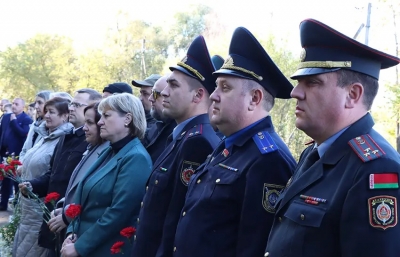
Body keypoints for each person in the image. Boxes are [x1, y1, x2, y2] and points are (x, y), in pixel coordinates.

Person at [265, 19, 400, 257]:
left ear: (352, 95)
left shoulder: (375, 168)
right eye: (299, 83)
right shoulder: (314, 153)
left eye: (313, 82)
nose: (295, 92)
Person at [172, 27, 296, 257]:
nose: (213, 95)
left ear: (254, 99)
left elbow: (255, 246)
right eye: (216, 87)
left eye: (225, 88)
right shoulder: (229, 145)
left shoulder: (268, 159)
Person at [131, 35, 221, 257]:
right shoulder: (181, 135)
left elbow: (178, 218)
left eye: (173, 85)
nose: (164, 92)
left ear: (198, 95)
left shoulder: (197, 142)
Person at [60, 93, 152, 257]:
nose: (100, 121)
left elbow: (119, 212)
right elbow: (82, 197)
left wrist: (80, 246)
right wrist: (72, 232)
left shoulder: (136, 157)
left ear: (127, 119)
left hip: (105, 249)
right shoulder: (110, 151)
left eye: (106, 116)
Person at [21, 88, 102, 256]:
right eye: (72, 103)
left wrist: (67, 216)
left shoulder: (96, 142)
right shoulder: (66, 137)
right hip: (54, 216)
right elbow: (54, 175)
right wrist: (33, 185)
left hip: (72, 223)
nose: (71, 108)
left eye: (78, 105)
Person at [14, 97, 73, 257]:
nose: (46, 115)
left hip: (40, 208)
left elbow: (53, 174)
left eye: (51, 112)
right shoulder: (46, 136)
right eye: (46, 111)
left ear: (64, 116)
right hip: (28, 206)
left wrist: (33, 185)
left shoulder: (63, 139)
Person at [47, 102, 109, 235]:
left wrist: (67, 215)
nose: (84, 128)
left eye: (90, 123)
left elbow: (94, 198)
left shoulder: (105, 154)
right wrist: (63, 208)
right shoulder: (92, 147)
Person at [0, 97, 32, 211]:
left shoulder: (26, 119)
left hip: (17, 155)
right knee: (5, 179)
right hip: (5, 153)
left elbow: (23, 133)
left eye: (16, 104)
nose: (13, 106)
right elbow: (2, 132)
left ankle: (17, 206)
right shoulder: (6, 117)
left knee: (16, 181)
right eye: (13, 103)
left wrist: (14, 121)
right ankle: (3, 204)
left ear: (22, 107)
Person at [144, 74, 177, 163]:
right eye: (151, 93)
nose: (150, 98)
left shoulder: (178, 132)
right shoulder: (159, 125)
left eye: (155, 94)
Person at [19, 90, 52, 161]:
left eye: (40, 103)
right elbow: (24, 149)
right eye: (35, 103)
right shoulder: (35, 124)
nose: (36, 106)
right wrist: (21, 164)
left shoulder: (51, 128)